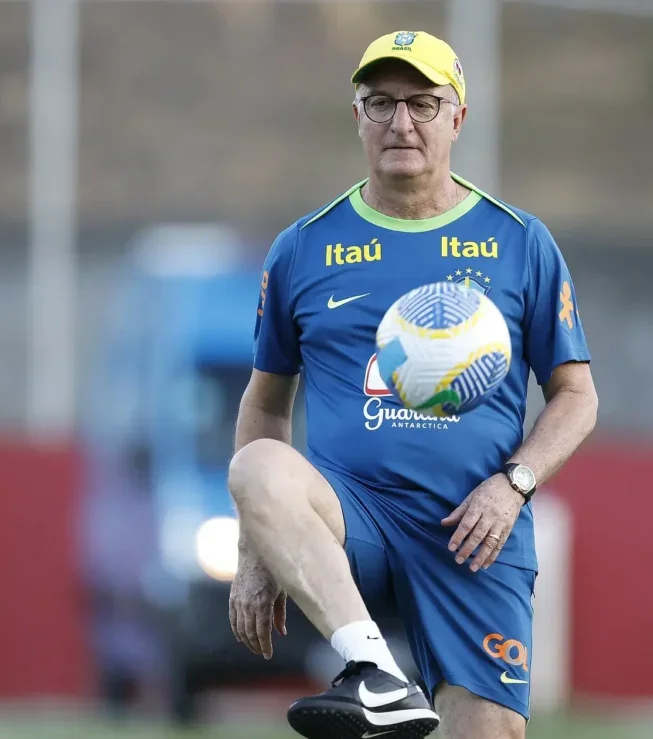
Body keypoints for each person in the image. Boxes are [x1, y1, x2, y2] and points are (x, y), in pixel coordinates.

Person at [227, 29, 599, 739]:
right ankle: (373, 671)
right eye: (382, 103)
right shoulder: (305, 246)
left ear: (457, 117)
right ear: (357, 117)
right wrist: (257, 546)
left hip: (473, 529)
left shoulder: (519, 241)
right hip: (354, 518)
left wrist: (512, 483)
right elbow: (265, 403)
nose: (401, 122)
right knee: (257, 465)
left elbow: (576, 397)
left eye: (423, 103)